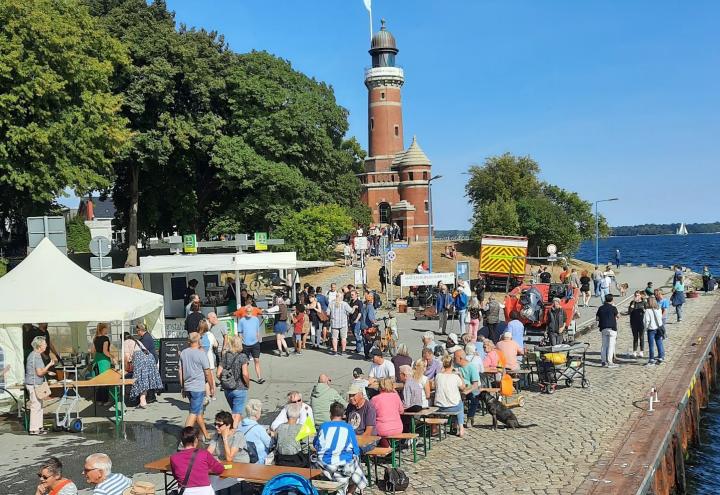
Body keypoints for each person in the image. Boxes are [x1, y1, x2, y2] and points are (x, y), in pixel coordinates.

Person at [314, 402, 368, 495]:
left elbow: (316, 444)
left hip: (324, 464)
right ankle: (350, 493)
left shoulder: (323, 426)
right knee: (357, 467)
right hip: (343, 464)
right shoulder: (348, 428)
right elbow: (356, 450)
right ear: (343, 415)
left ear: (330, 414)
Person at [179, 332, 214, 441]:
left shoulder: (183, 353)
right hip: (198, 388)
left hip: (188, 386)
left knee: (198, 412)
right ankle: (184, 440)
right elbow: (207, 372)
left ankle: (206, 434)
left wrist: (183, 387)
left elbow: (180, 371)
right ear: (199, 341)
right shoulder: (201, 354)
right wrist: (212, 386)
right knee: (193, 413)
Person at [170, 427, 224, 495]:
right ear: (196, 440)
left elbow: (176, 476)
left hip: (185, 492)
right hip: (204, 491)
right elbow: (219, 470)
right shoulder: (204, 454)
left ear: (182, 441)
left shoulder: (174, 458)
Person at [207, 411, 249, 492]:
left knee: (213, 486)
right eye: (215, 424)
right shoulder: (217, 435)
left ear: (228, 425)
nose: (216, 427)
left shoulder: (237, 435)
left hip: (239, 466)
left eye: (219, 425)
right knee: (207, 481)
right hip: (224, 465)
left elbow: (230, 458)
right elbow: (207, 453)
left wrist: (225, 439)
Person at [216, 335, 250, 428]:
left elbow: (218, 373)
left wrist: (225, 381)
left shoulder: (226, 356)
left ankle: (241, 428)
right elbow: (245, 374)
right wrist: (247, 384)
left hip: (227, 389)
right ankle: (232, 432)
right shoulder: (243, 357)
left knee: (235, 411)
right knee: (236, 414)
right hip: (240, 388)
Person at [25, 336, 55, 435]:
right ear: (39, 346)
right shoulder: (36, 356)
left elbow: (38, 371)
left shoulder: (33, 355)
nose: (46, 345)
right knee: (36, 406)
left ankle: (38, 427)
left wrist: (47, 371)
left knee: (39, 405)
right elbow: (39, 373)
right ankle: (34, 429)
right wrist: (49, 365)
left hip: (34, 383)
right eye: (44, 344)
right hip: (34, 384)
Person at [127, 333, 163, 409]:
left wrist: (125, 368)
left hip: (141, 361)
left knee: (140, 380)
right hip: (150, 358)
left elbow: (126, 357)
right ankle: (145, 400)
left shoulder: (126, 342)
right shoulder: (137, 341)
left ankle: (143, 401)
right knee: (146, 380)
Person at [434, 354, 465, 437]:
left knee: (455, 401)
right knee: (460, 404)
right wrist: (460, 376)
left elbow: (434, 386)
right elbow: (463, 387)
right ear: (452, 364)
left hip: (440, 406)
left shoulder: (438, 376)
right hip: (453, 406)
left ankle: (438, 427)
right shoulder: (455, 376)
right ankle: (461, 427)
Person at [275, 402, 310, 467]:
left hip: (281, 459)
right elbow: (305, 448)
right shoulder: (301, 428)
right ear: (298, 415)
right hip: (296, 460)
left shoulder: (279, 427)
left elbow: (276, 442)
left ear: (287, 415)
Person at [239, 399, 273, 465]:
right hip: (258, 461)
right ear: (257, 414)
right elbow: (270, 445)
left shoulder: (239, 424)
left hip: (244, 459)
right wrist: (272, 435)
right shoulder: (259, 429)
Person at [453, 349, 481, 427]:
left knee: (474, 398)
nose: (453, 359)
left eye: (455, 357)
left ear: (460, 358)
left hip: (470, 388)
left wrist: (466, 392)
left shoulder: (471, 367)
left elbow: (475, 384)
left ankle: (470, 417)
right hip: (459, 388)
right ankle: (456, 419)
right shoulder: (455, 366)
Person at [238, 303, 265, 383]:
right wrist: (241, 341)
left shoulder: (256, 319)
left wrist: (257, 338)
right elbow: (240, 332)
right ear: (245, 311)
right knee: (245, 362)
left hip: (255, 343)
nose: (249, 312)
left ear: (252, 311)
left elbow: (257, 330)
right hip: (245, 344)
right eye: (247, 311)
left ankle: (259, 377)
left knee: (256, 360)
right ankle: (244, 378)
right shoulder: (242, 320)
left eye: (250, 311)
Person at [91, 323, 116, 406]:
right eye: (106, 328)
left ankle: (98, 400)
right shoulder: (105, 338)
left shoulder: (95, 338)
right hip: (104, 361)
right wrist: (112, 357)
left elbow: (92, 351)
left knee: (99, 381)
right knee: (105, 380)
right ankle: (105, 401)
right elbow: (105, 351)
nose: (107, 330)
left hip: (96, 360)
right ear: (103, 329)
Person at [597, 294, 620, 368]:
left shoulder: (600, 308)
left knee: (604, 345)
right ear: (612, 300)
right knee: (611, 345)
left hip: (603, 328)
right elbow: (618, 316)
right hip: (612, 328)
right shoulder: (613, 308)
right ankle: (610, 361)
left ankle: (603, 361)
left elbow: (597, 318)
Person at [644, 297, 665, 366]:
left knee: (651, 345)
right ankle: (661, 356)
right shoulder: (658, 309)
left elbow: (646, 321)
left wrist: (645, 328)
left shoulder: (647, 311)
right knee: (659, 342)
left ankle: (651, 358)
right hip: (659, 328)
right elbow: (661, 317)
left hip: (651, 329)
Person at [628, 292, 646, 359]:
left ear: (640, 296)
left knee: (641, 337)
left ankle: (641, 351)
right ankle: (634, 351)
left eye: (638, 295)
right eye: (635, 295)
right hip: (634, 322)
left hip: (641, 322)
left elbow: (646, 312)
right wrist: (632, 304)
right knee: (635, 337)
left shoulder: (644, 303)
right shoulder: (633, 302)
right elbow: (629, 312)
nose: (636, 296)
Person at [360, 292, 377, 359]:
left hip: (362, 325)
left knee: (365, 341)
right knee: (370, 341)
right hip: (368, 326)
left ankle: (366, 354)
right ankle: (369, 354)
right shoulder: (370, 306)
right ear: (372, 299)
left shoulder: (364, 305)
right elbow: (370, 317)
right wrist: (374, 321)